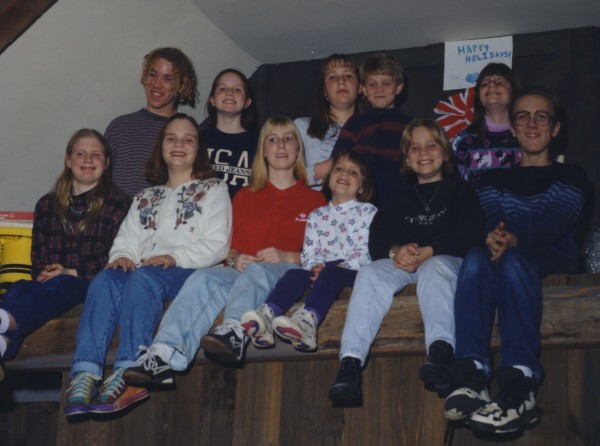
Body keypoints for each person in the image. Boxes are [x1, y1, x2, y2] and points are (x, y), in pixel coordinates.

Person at [122, 117, 326, 388]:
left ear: (298, 149)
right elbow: (228, 248)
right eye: (272, 139)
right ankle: (163, 353)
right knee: (205, 278)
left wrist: (289, 256)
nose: (281, 145)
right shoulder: (245, 196)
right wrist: (235, 258)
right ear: (262, 149)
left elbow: (326, 254)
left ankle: (235, 332)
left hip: (289, 274)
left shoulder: (316, 200)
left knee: (257, 270)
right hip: (245, 272)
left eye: (288, 138)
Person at [444, 87, 593, 434]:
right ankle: (472, 375)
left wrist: (512, 240)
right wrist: (495, 237)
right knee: (477, 258)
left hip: (551, 262)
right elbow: (490, 218)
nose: (531, 123)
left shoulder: (572, 177)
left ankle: (518, 386)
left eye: (541, 116)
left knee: (511, 261)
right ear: (511, 128)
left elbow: (553, 226)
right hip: (505, 259)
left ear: (555, 128)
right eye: (522, 116)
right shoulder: (492, 178)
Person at [63, 114, 231, 416]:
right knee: (104, 279)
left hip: (186, 271)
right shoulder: (145, 196)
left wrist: (174, 257)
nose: (178, 144)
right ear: (160, 147)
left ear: (198, 148)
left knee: (144, 278)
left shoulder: (214, 189)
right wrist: (122, 257)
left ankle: (130, 371)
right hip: (144, 271)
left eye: (188, 139)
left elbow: (218, 244)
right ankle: (85, 372)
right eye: (171, 138)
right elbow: (126, 238)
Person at [328, 118, 484, 408]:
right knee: (371, 273)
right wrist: (394, 250)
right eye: (415, 148)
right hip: (405, 264)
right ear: (407, 160)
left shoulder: (460, 191)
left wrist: (430, 250)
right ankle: (349, 364)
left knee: (435, 267)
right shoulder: (398, 198)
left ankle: (440, 351)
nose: (423, 152)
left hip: (444, 261)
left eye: (431, 145)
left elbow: (471, 232)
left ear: (446, 153)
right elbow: (377, 240)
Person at [0, 130, 130, 382]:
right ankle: (3, 342)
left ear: (107, 162)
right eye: (80, 154)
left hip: (94, 284)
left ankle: (4, 322)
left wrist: (70, 271)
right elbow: (38, 257)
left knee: (64, 283)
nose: (88, 160)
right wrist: (47, 270)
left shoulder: (119, 203)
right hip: (50, 282)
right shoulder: (47, 204)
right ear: (68, 160)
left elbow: (115, 258)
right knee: (19, 286)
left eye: (96, 154)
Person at [241, 151, 376, 351]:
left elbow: (364, 252)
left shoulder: (368, 211)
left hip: (352, 271)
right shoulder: (316, 215)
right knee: (294, 274)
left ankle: (307, 321)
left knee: (331, 273)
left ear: (362, 187)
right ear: (328, 181)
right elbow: (310, 251)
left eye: (353, 172)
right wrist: (314, 266)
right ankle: (268, 314)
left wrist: (332, 267)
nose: (344, 174)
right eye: (338, 169)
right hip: (322, 270)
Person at [105, 47, 198, 197]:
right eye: (152, 75)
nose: (156, 84)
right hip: (116, 218)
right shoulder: (119, 126)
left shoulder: (187, 134)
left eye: (168, 79)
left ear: (182, 84)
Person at [328, 52, 412, 207]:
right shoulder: (355, 123)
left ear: (398, 87)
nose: (379, 89)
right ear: (363, 89)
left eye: (386, 83)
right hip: (361, 202)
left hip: (398, 199)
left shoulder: (410, 125)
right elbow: (336, 162)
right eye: (372, 84)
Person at [293, 54, 359, 190]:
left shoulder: (370, 131)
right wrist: (317, 171)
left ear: (360, 87)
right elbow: (280, 177)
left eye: (348, 76)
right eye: (332, 77)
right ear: (324, 90)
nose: (341, 81)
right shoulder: (302, 126)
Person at [453, 63, 521, 187]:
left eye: (499, 82)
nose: (491, 85)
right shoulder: (462, 141)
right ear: (478, 95)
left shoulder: (526, 137)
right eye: (484, 84)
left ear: (513, 91)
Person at [201, 68, 258, 198]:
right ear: (212, 99)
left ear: (247, 101)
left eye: (237, 89)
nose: (229, 93)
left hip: (243, 216)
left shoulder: (259, 143)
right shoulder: (197, 139)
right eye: (222, 88)